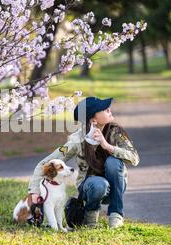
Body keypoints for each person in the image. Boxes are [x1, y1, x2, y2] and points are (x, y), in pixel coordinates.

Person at [28, 96, 140, 228]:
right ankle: (90, 217)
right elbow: (45, 163)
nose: (109, 109)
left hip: (116, 185)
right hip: (90, 187)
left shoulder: (116, 133)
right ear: (93, 120)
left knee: (113, 162)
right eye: (103, 109)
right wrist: (34, 191)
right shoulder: (77, 139)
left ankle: (116, 215)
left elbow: (134, 158)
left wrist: (107, 146)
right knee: (99, 184)